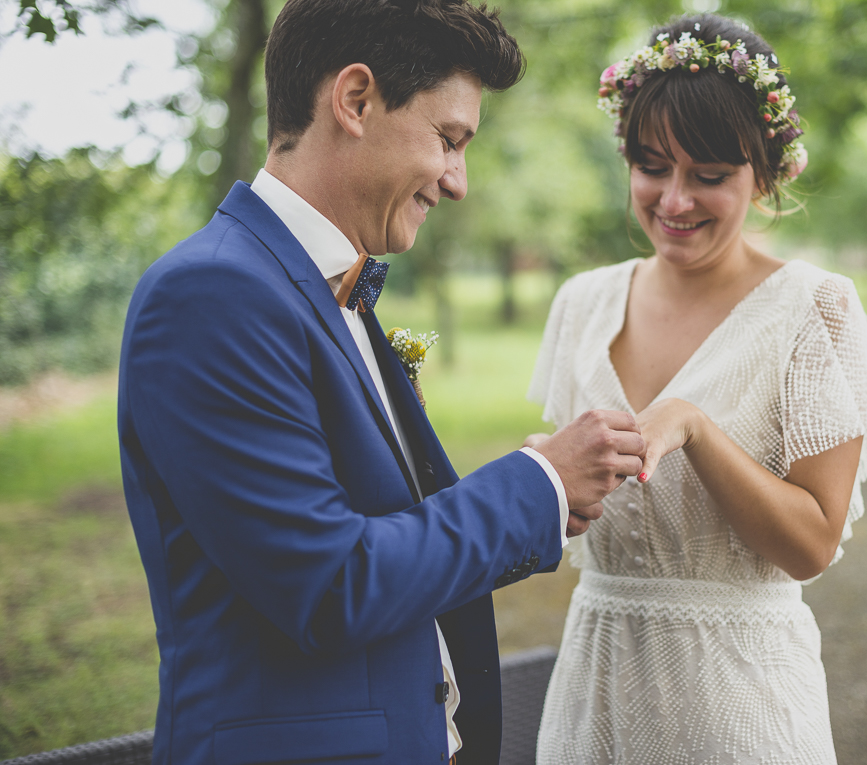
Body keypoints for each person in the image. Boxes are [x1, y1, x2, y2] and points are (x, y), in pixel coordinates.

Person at [117, 1, 646, 763]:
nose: (458, 182)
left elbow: (386, 528)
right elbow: (329, 583)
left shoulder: (334, 289)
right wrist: (539, 484)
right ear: (356, 100)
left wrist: (542, 493)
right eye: (448, 140)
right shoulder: (209, 294)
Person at [527, 14, 867, 764]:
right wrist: (546, 477)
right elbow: (577, 506)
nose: (674, 201)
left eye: (709, 176)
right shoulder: (581, 304)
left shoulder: (813, 309)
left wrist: (697, 428)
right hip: (594, 689)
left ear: (766, 174)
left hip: (741, 704)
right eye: (652, 166)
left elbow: (811, 541)